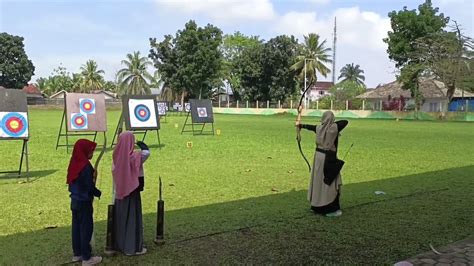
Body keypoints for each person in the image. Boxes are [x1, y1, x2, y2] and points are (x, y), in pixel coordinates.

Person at [296, 110, 348, 217]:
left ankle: (316, 206)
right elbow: (345, 122)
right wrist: (332, 123)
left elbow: (312, 127)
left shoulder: (320, 128)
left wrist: (301, 125)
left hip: (318, 157)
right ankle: (330, 209)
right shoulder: (333, 128)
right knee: (330, 182)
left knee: (319, 182)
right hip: (328, 158)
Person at [112, 131, 150, 256]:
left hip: (120, 193)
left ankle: (120, 245)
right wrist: (141, 144)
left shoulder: (116, 156)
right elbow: (146, 153)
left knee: (122, 219)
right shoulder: (134, 157)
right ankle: (131, 248)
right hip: (132, 192)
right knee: (132, 219)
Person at [67, 139, 102, 265]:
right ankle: (87, 258)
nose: (92, 153)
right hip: (83, 202)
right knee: (86, 228)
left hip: (74, 201)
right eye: (91, 150)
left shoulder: (74, 162)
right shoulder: (85, 166)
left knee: (76, 228)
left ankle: (77, 254)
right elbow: (89, 186)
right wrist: (98, 193)